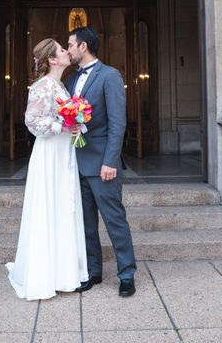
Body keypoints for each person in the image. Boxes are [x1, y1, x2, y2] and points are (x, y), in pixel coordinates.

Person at [5, 38, 89, 300]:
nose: (67, 51)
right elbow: (32, 120)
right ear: (53, 59)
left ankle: (63, 273)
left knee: (64, 206)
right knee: (49, 206)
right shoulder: (43, 86)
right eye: (62, 50)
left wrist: (77, 124)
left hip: (64, 151)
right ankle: (45, 274)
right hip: (50, 152)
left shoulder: (60, 85)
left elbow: (62, 117)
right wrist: (62, 127)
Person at [65, 27, 137, 297]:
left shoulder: (109, 76)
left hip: (102, 164)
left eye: (70, 44)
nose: (68, 49)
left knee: (114, 220)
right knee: (85, 224)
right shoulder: (71, 79)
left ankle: (127, 274)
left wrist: (111, 162)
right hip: (76, 162)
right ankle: (93, 271)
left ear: (83, 46)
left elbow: (118, 123)